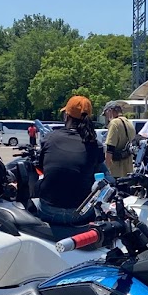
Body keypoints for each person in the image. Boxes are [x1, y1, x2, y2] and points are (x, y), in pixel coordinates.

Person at [37, 96, 105, 224]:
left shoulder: (50, 138)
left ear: (66, 116)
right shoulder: (96, 145)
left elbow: (41, 168)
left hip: (49, 210)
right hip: (80, 213)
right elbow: (97, 172)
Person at [102, 102, 137, 179]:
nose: (106, 118)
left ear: (110, 111)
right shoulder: (129, 123)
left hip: (116, 172)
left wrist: (105, 171)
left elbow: (109, 149)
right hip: (128, 170)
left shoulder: (114, 123)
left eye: (106, 114)